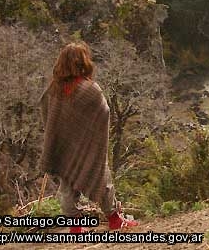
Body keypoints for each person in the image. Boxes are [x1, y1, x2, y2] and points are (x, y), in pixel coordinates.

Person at [40, 42, 138, 233]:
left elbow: (47, 112)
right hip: (88, 146)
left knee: (67, 185)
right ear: (84, 62)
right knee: (101, 176)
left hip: (63, 146)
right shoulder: (90, 89)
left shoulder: (53, 89)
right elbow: (104, 112)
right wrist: (90, 136)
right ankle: (114, 219)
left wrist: (58, 134)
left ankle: (75, 227)